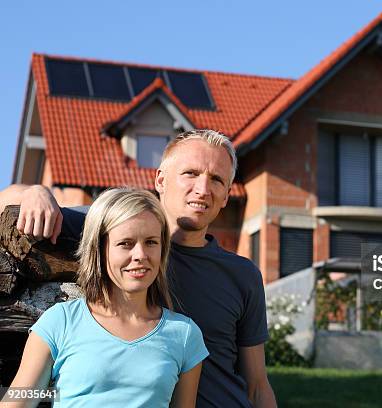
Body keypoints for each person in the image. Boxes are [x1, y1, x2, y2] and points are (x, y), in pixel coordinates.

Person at [0, 129, 277, 408]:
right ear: (160, 179)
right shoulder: (118, 225)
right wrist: (36, 191)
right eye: (190, 173)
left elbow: (257, 385)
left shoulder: (242, 275)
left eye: (216, 179)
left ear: (227, 195)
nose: (203, 189)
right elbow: (6, 199)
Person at [0, 188, 208, 408]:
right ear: (100, 249)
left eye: (151, 242)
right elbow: (19, 400)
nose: (140, 255)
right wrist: (36, 190)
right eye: (125, 243)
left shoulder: (185, 335)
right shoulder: (59, 322)